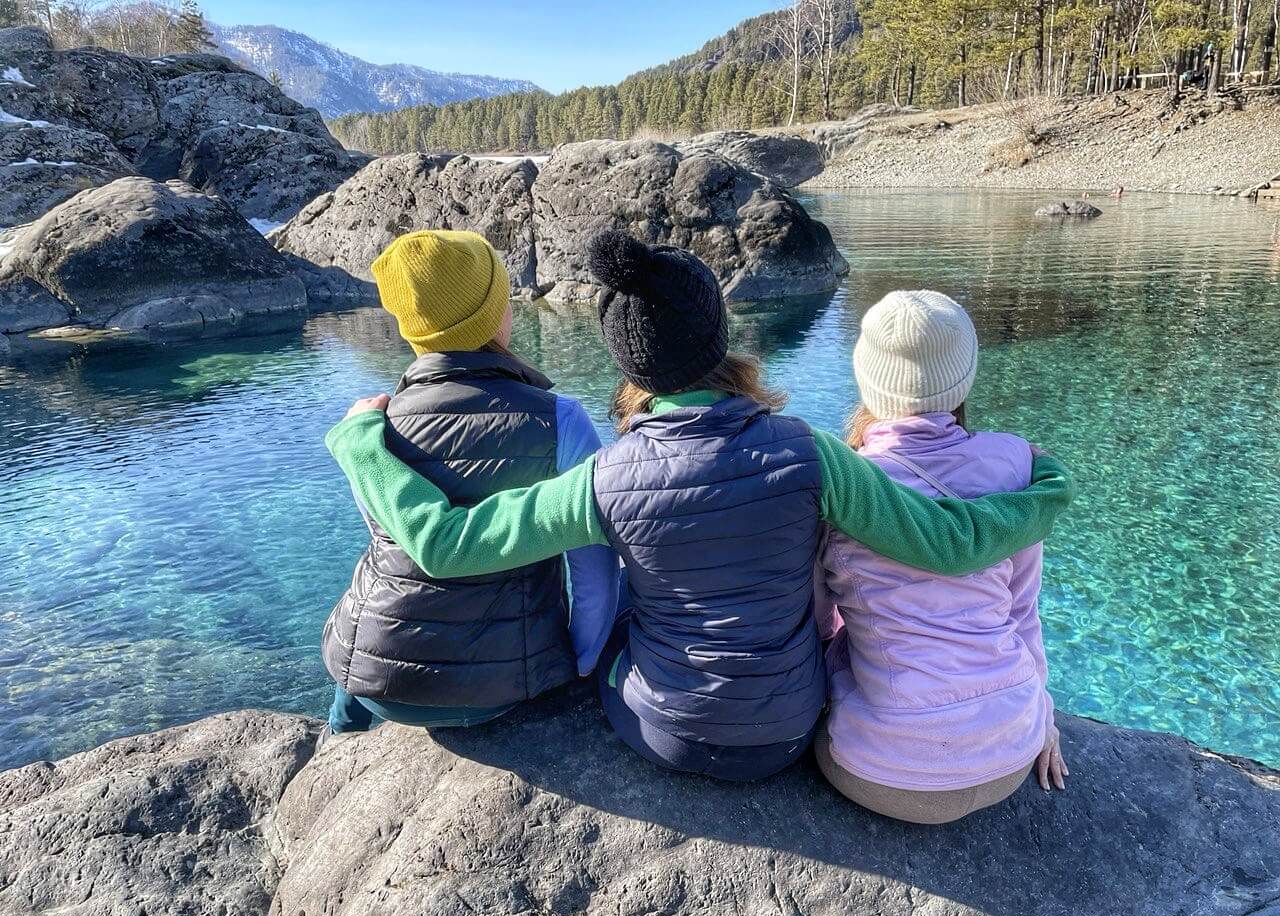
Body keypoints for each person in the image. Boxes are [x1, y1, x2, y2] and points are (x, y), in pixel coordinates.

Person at [324, 231, 1075, 780]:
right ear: (719, 334)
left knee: (622, 612)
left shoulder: (604, 477)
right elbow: (948, 544)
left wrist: (362, 444)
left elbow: (448, 545)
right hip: (786, 734)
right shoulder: (811, 451)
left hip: (660, 732)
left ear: (627, 361)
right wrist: (1044, 494)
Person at [323, 229, 619, 735]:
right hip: (508, 684)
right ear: (495, 316)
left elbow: (387, 541)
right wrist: (584, 659)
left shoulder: (371, 430)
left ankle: (338, 740)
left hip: (377, 678)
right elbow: (595, 568)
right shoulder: (561, 419)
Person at [813, 291, 1066, 824]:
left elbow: (817, 621)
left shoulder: (843, 485)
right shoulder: (1016, 462)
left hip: (882, 771)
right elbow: (1022, 609)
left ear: (866, 379)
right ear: (965, 378)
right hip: (1013, 752)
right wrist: (1043, 718)